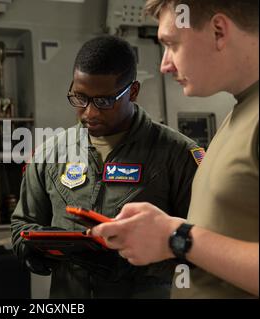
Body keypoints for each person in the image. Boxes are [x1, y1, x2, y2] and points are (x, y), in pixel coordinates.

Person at [11, 36, 203, 298]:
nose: (89, 112)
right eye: (80, 98)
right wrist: (38, 251)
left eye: (103, 101)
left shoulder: (178, 154)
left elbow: (200, 248)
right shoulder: (49, 153)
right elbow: (23, 224)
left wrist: (131, 266)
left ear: (132, 92)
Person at [91, 0, 259, 298]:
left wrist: (175, 237)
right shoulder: (242, 112)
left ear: (219, 31)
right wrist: (165, 228)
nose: (164, 64)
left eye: (172, 44)